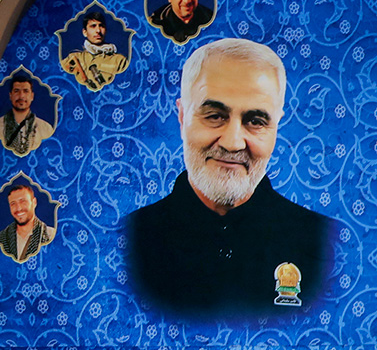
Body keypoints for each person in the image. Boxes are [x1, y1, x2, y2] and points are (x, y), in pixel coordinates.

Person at [122, 38, 333, 316]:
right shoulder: (124, 241)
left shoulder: (327, 243)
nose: (233, 143)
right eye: (214, 116)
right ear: (182, 116)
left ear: (276, 126)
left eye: (256, 121)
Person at [60, 12, 127, 91]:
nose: (98, 30)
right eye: (93, 26)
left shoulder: (119, 61)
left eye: (101, 26)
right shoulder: (73, 58)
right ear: (84, 32)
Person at [2, 73, 53, 156]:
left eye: (26, 91)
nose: (21, 96)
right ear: (10, 95)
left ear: (32, 96)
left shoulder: (45, 128)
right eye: (16, 91)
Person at [2, 180, 52, 262]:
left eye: (23, 201)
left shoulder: (50, 235)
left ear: (34, 202)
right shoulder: (3, 238)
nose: (18, 208)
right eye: (13, 203)